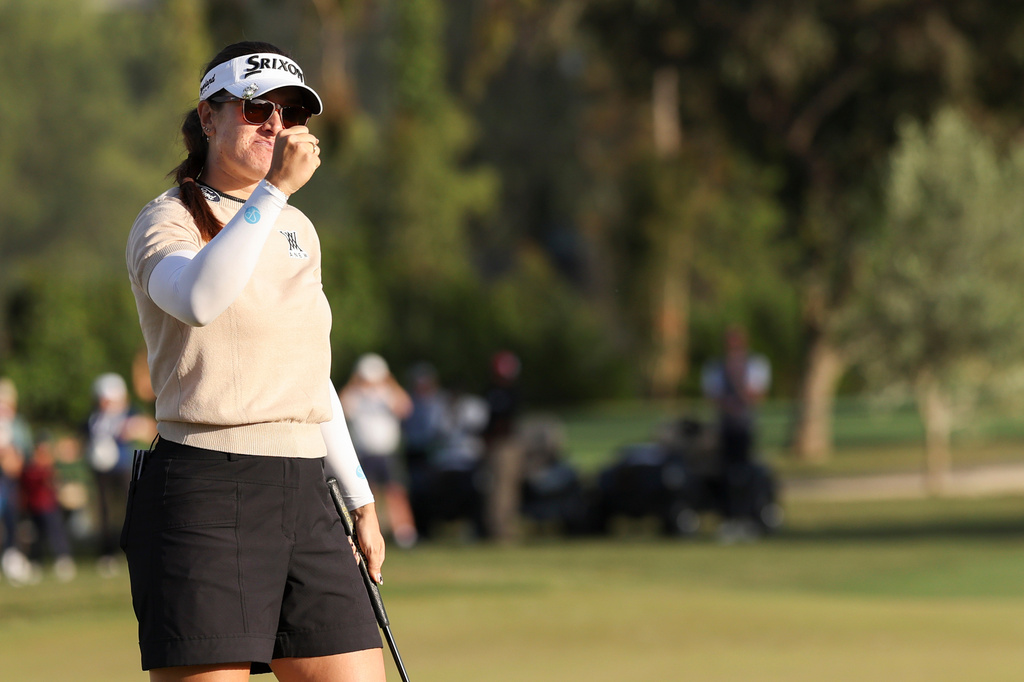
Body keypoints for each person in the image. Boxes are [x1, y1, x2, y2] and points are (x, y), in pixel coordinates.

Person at [124, 41, 387, 680]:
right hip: (205, 490)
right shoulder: (166, 222)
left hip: (305, 492)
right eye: (255, 109)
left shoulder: (298, 228)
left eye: (290, 114)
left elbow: (308, 372)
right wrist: (272, 192)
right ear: (208, 118)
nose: (276, 125)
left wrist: (359, 498)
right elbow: (199, 299)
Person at [700, 325, 771, 541]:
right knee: (726, 474)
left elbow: (756, 394)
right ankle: (729, 519)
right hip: (725, 429)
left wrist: (739, 390)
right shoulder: (716, 367)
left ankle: (747, 518)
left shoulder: (755, 365)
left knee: (746, 474)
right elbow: (713, 396)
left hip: (745, 428)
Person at [340, 353, 417, 549]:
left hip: (386, 452)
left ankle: (405, 535)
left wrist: (389, 383)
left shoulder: (388, 393)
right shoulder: (355, 394)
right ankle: (370, 535)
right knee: (366, 497)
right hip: (364, 453)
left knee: (396, 493)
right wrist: (355, 383)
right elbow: (340, 408)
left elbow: (406, 407)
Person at [84, 372, 155, 576]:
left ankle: (135, 546)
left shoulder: (131, 414)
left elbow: (150, 429)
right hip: (101, 470)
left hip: (124, 468)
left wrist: (134, 429)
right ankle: (107, 552)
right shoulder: (94, 418)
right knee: (104, 511)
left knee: (130, 507)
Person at [20, 432, 76, 582]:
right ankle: (35, 562)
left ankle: (63, 559)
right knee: (36, 536)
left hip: (49, 505)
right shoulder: (32, 466)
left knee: (56, 532)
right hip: (35, 506)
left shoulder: (51, 465)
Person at [0, 377, 36, 586]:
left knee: (12, 519)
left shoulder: (18, 426)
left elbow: (22, 458)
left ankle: (12, 556)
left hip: (10, 483)